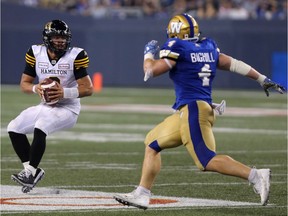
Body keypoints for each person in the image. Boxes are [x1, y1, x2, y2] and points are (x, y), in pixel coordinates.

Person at [114, 13, 285, 209]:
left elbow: (151, 71)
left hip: (194, 110)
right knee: (152, 143)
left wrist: (147, 54)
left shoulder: (176, 47)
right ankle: (142, 193)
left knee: (206, 160)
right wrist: (262, 79)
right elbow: (234, 64)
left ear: (175, 32)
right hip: (194, 110)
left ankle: (256, 176)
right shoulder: (208, 46)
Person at [7, 20, 93, 193]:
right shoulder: (36, 52)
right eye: (56, 37)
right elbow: (24, 83)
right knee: (14, 127)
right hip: (46, 105)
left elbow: (88, 89)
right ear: (47, 38)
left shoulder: (76, 55)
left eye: (63, 37)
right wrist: (35, 88)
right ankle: (31, 171)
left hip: (68, 109)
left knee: (41, 125)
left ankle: (30, 173)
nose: (61, 41)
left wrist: (64, 93)